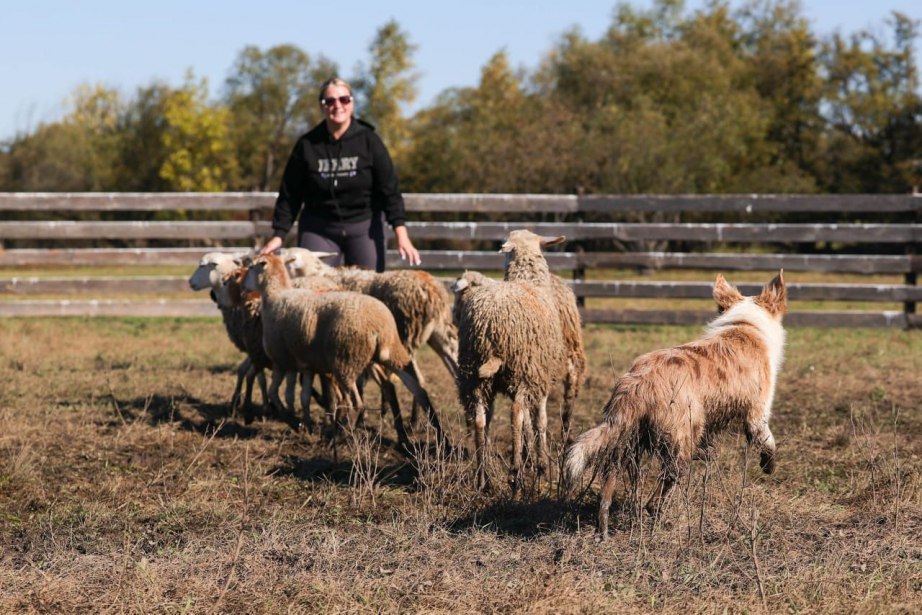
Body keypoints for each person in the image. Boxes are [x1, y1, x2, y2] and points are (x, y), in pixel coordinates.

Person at [259, 77, 421, 271]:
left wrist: (401, 234)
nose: (337, 105)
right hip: (319, 227)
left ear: (351, 103)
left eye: (344, 99)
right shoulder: (307, 145)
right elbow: (290, 194)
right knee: (314, 292)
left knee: (367, 293)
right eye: (330, 101)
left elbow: (390, 190)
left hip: (364, 226)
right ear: (322, 107)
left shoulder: (369, 141)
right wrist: (279, 235)